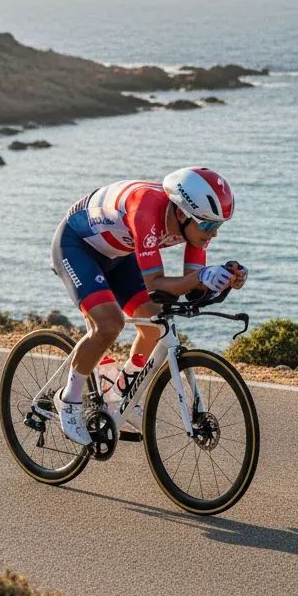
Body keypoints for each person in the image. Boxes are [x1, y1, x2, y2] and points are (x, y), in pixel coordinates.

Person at [50, 167, 247, 445]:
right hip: (76, 246)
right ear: (181, 213)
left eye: (218, 226)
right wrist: (201, 277)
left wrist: (224, 278)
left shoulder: (193, 227)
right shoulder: (145, 208)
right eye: (207, 226)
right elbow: (156, 283)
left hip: (120, 253)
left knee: (154, 324)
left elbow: (192, 287)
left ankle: (119, 390)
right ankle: (68, 400)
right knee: (109, 324)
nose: (212, 234)